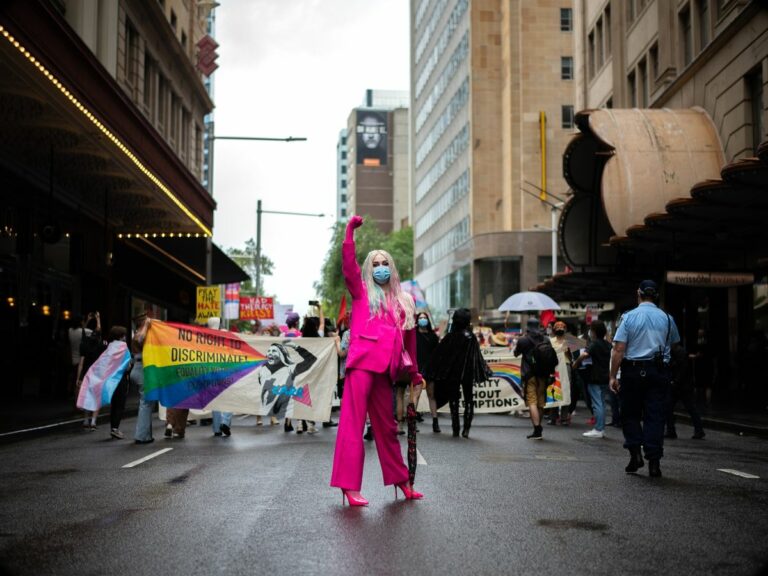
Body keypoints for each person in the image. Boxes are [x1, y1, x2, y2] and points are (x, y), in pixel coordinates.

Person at [330, 215, 423, 506]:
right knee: (352, 425)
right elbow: (348, 266)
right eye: (375, 264)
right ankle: (348, 486)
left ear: (391, 268)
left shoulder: (404, 300)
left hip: (386, 370)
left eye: (385, 263)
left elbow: (410, 342)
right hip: (361, 366)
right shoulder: (360, 292)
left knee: (388, 428)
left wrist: (415, 374)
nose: (381, 267)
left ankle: (402, 481)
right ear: (368, 269)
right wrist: (349, 232)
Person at [610, 280, 680, 478]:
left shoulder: (628, 317)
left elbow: (619, 349)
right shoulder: (667, 318)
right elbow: (674, 344)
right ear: (656, 296)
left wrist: (613, 376)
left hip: (632, 371)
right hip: (658, 371)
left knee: (629, 414)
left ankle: (635, 454)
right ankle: (654, 463)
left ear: (638, 293)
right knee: (655, 416)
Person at [424, 308, 492, 438]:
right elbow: (476, 356)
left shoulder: (450, 336)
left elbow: (440, 355)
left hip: (453, 373)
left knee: (454, 399)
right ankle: (466, 428)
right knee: (469, 399)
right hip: (467, 372)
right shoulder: (470, 337)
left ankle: (456, 428)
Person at [573, 321, 611, 439]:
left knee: (597, 404)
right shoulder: (608, 344)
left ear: (594, 331)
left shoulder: (594, 344)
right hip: (605, 377)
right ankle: (601, 428)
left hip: (595, 377)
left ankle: (598, 429)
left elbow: (584, 355)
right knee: (601, 403)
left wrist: (576, 363)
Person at [514, 317, 549, 440]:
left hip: (529, 374)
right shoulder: (545, 339)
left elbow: (516, 353)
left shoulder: (523, 340)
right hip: (543, 374)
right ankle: (538, 427)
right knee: (540, 402)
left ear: (527, 327)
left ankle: (537, 429)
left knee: (532, 402)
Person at [665, 342, 705, 440]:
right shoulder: (676, 351)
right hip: (681, 385)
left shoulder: (678, 351)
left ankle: (698, 430)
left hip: (682, 386)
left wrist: (675, 381)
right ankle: (672, 430)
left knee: (688, 408)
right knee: (671, 407)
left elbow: (682, 369)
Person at [207, 317, 234, 438]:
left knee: (215, 399)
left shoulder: (205, 337)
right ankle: (225, 422)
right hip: (225, 370)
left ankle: (217, 428)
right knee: (229, 397)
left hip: (211, 371)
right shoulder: (225, 334)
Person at [76, 312, 103, 430]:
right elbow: (99, 330)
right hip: (97, 374)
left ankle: (85, 420)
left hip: (86, 374)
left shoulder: (84, 346)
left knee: (86, 397)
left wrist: (78, 378)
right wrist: (98, 318)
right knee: (96, 397)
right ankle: (93, 422)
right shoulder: (98, 346)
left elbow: (81, 364)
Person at [415, 312, 441, 433]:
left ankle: (435, 422)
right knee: (416, 395)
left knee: (432, 395)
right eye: (420, 318)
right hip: (418, 369)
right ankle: (412, 423)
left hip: (430, 369)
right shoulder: (414, 335)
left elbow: (437, 353)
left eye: (424, 318)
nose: (423, 319)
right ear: (417, 320)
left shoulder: (433, 336)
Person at [132, 313, 156, 444]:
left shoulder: (144, 334)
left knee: (148, 402)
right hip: (141, 369)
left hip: (141, 368)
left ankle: (147, 435)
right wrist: (146, 324)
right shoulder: (139, 334)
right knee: (146, 403)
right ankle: (141, 436)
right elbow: (139, 340)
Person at [106, 325, 131, 440]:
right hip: (120, 378)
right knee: (120, 404)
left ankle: (113, 427)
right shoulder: (123, 347)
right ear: (121, 336)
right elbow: (127, 366)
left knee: (114, 404)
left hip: (110, 379)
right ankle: (115, 429)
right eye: (124, 335)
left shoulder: (109, 347)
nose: (125, 337)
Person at [548, 321, 573, 425]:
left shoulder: (569, 341)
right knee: (553, 390)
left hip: (566, 366)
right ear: (554, 330)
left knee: (566, 390)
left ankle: (564, 418)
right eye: (557, 328)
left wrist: (568, 351)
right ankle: (553, 417)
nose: (560, 330)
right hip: (554, 367)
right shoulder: (550, 341)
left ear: (565, 329)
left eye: (561, 328)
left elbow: (571, 358)